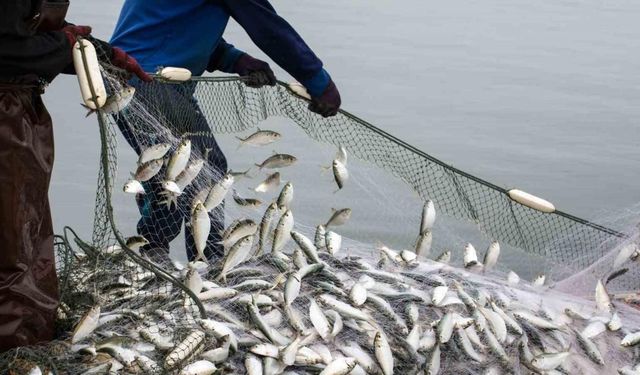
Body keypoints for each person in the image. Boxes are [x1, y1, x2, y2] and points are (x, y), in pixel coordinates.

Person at [110, 0, 342, 263]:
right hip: (147, 81)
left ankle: (176, 257)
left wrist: (236, 60)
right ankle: (196, 263)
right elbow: (268, 29)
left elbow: (176, 25)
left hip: (141, 77)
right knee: (194, 170)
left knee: (190, 168)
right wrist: (318, 80)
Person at [0, 0, 149, 351]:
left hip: (17, 113)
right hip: (5, 120)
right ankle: (16, 350)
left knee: (24, 230)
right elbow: (8, 50)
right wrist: (65, 45)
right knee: (10, 242)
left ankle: (27, 336)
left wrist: (103, 54)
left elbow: (35, 35)